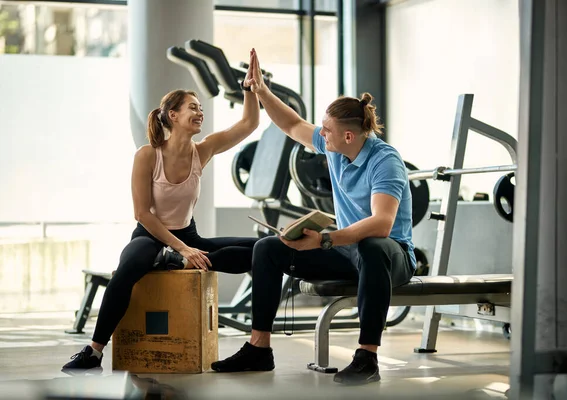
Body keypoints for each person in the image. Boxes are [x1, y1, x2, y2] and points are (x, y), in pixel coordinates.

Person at [210, 50, 416, 385]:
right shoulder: (336, 148)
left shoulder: (384, 161)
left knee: (373, 246)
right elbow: (292, 125)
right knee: (267, 249)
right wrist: (261, 92)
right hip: (349, 252)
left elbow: (382, 224)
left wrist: (324, 239)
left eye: (327, 129)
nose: (321, 134)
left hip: (393, 257)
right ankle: (259, 348)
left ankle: (367, 356)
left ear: (348, 136)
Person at [62, 49, 262, 372]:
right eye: (192, 108)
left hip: (187, 234)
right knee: (129, 267)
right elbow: (143, 213)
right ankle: (94, 350)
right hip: (151, 235)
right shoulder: (147, 156)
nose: (200, 113)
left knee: (259, 249)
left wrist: (250, 88)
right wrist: (182, 249)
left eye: (200, 108)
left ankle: (176, 263)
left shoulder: (203, 150)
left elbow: (249, 123)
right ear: (172, 115)